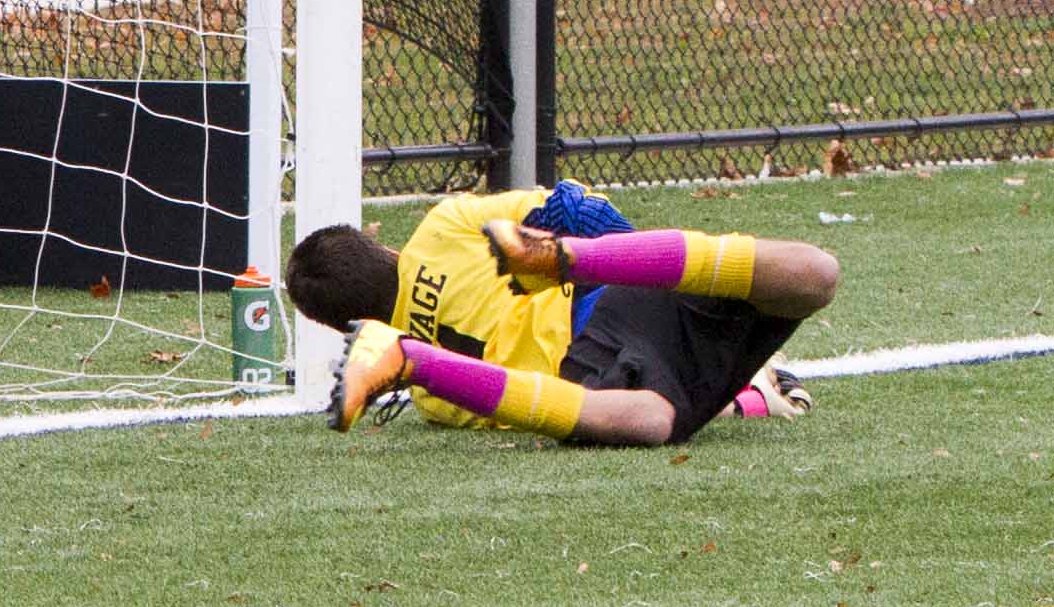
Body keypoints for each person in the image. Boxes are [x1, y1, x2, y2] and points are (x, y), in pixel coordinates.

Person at [283, 182, 837, 446]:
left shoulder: (433, 403)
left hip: (590, 370)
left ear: (345, 327)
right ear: (384, 248)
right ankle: (575, 258)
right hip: (609, 294)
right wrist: (632, 265)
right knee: (816, 275)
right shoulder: (441, 227)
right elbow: (576, 207)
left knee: (649, 418)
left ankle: (414, 360)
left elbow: (533, 410)